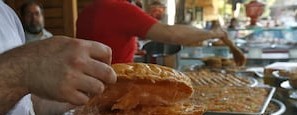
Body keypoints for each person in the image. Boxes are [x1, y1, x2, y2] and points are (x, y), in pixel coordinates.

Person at [20, 1, 72, 115]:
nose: (34, 18)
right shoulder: (18, 42)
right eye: (29, 14)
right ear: (23, 18)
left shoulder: (52, 39)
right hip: (31, 99)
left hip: (55, 96)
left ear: (43, 16)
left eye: (37, 13)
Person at [76, 0, 227, 64]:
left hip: (89, 87)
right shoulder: (121, 9)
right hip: (115, 87)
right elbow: (172, 34)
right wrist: (213, 33)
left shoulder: (87, 11)